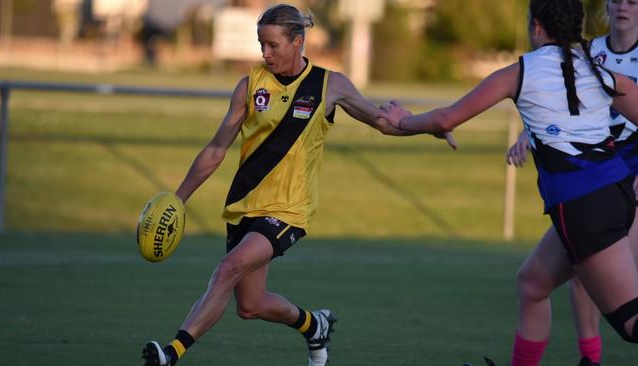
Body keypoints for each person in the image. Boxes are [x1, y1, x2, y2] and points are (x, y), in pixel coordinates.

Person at [140, 4, 452, 366]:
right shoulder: (249, 86)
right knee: (250, 306)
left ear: (298, 42)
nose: (265, 53)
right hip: (244, 207)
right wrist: (178, 199)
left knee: (227, 268)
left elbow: (383, 122)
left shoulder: (329, 85)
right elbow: (215, 149)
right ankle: (313, 324)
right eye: (261, 45)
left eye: (272, 45)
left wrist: (433, 124)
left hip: (289, 210)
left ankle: (171, 353)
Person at [378, 0, 638, 365]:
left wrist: (403, 120)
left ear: (535, 27)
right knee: (532, 284)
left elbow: (446, 118)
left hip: (585, 208)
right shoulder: (597, 69)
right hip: (615, 195)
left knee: (632, 326)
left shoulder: (520, 72)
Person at [506, 1, 638, 364]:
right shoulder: (588, 51)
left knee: (628, 316)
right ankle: (590, 359)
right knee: (536, 282)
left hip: (619, 183)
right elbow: (551, 101)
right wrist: (527, 135)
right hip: (599, 182)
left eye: (633, 0)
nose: (624, 6)